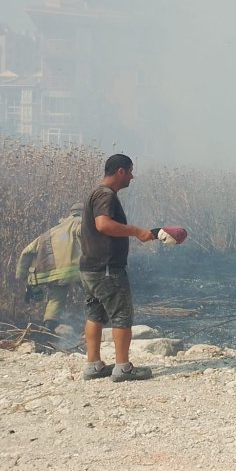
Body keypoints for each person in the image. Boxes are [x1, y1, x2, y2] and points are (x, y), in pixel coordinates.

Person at [79, 154, 156, 382]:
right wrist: (136, 231)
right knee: (122, 315)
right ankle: (123, 368)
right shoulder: (106, 195)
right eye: (130, 171)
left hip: (90, 268)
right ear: (121, 171)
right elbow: (103, 224)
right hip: (107, 269)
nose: (132, 176)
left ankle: (93, 365)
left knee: (95, 314)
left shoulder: (96, 193)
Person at [15, 202, 83, 332]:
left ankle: (48, 325)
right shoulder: (81, 224)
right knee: (93, 293)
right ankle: (100, 322)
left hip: (54, 274)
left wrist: (21, 275)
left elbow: (26, 251)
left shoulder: (50, 232)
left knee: (56, 297)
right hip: (77, 271)